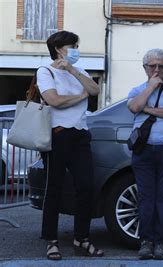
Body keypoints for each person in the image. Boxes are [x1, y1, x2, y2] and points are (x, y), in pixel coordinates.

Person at [37, 31, 104, 260]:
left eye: (77, 45)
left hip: (80, 135)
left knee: (86, 186)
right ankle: (51, 241)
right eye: (72, 45)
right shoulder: (45, 71)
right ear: (58, 48)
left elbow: (95, 91)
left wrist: (73, 71)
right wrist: (79, 96)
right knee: (53, 188)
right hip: (57, 136)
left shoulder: (80, 71)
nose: (76, 48)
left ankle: (81, 238)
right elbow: (54, 101)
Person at [127, 49, 163, 260]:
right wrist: (150, 87)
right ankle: (146, 242)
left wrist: (148, 110)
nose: (157, 69)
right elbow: (134, 106)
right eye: (153, 66)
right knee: (145, 198)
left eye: (161, 66)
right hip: (143, 151)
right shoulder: (137, 89)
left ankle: (161, 242)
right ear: (145, 68)